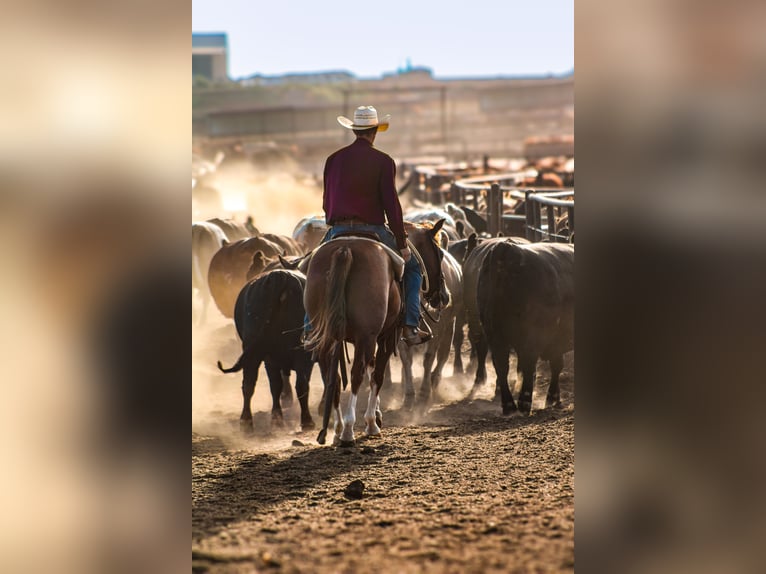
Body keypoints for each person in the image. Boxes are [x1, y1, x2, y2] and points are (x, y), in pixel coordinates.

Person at [306, 105, 430, 345]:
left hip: (338, 229)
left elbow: (326, 201)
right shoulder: (384, 161)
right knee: (414, 268)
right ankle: (410, 326)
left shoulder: (333, 160)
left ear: (355, 131)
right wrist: (402, 243)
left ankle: (308, 326)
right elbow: (392, 206)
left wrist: (335, 222)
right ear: (375, 131)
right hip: (373, 230)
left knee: (309, 267)